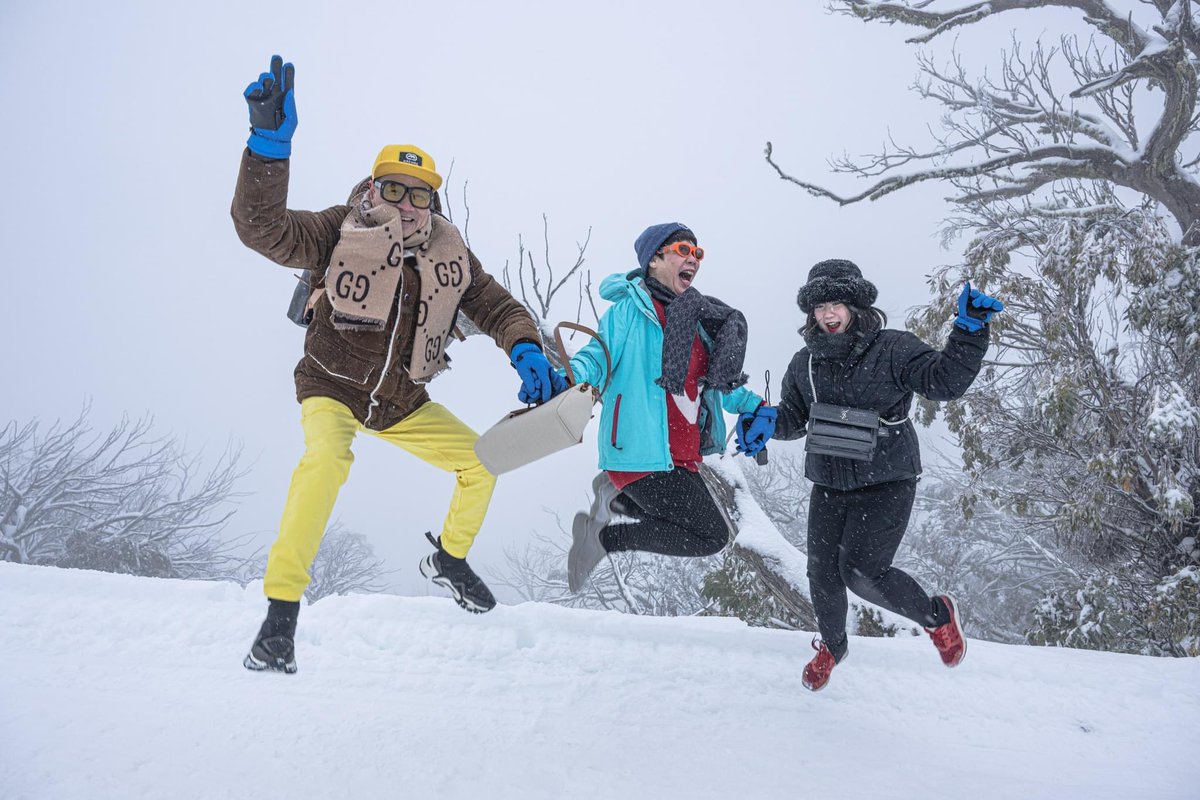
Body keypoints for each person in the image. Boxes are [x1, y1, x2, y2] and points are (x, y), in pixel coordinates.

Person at [231, 56, 563, 673]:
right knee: (327, 461)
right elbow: (264, 230)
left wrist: (524, 346)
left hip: (402, 402)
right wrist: (268, 148)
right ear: (372, 189)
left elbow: (494, 304)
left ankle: (450, 560)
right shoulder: (340, 227)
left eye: (421, 194)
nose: (408, 204)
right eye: (394, 189)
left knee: (483, 463)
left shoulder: (450, 253)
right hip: (331, 384)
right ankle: (280, 618)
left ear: (434, 202)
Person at [737, 259, 1003, 691]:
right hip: (829, 481)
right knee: (821, 574)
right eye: (820, 306)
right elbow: (793, 417)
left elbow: (943, 382)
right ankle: (832, 645)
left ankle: (937, 616)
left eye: (836, 304)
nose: (828, 315)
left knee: (861, 573)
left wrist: (969, 332)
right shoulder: (805, 363)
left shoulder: (893, 348)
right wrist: (765, 424)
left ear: (856, 305)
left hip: (887, 480)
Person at [563, 222, 766, 592]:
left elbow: (715, 384)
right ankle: (604, 538)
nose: (694, 259)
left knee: (695, 526)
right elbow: (598, 358)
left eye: (698, 254)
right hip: (638, 449)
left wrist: (756, 406)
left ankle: (618, 499)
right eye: (683, 251)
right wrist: (569, 378)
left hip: (679, 455)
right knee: (710, 534)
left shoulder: (697, 319)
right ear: (654, 259)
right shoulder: (630, 311)